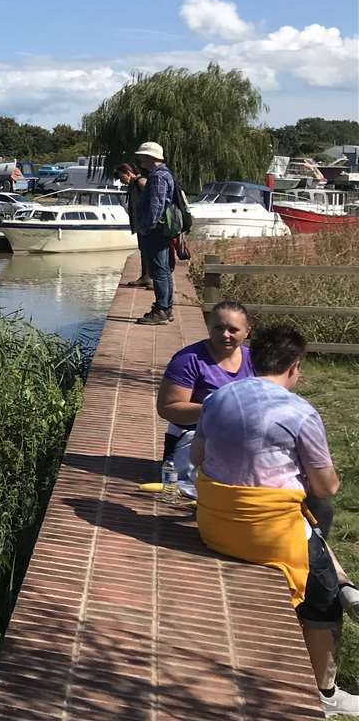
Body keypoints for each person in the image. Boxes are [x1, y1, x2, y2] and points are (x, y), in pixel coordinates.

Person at [193, 326, 359, 716]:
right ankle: (326, 693)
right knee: (323, 602)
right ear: (295, 367)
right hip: (266, 534)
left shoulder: (216, 399)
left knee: (305, 518)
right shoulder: (299, 411)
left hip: (215, 524)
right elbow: (327, 484)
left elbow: (198, 457)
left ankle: (348, 584)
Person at [155, 301, 252, 490]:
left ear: (247, 331)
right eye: (218, 328)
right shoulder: (188, 360)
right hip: (194, 437)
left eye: (233, 330)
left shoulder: (254, 359)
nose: (225, 335)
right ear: (209, 327)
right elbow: (167, 408)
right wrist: (216, 409)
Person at [132, 141, 175, 325]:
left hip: (156, 231)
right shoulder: (165, 174)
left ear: (150, 157)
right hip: (161, 229)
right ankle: (166, 307)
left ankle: (161, 309)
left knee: (158, 271)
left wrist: (147, 226)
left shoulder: (157, 177)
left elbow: (156, 205)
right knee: (163, 270)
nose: (140, 159)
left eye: (142, 155)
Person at [116, 161, 150, 289]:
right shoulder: (133, 184)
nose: (121, 181)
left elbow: (153, 199)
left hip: (145, 222)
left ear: (128, 173)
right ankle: (145, 276)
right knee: (143, 249)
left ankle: (151, 278)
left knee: (148, 250)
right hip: (140, 222)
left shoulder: (141, 182)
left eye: (121, 177)